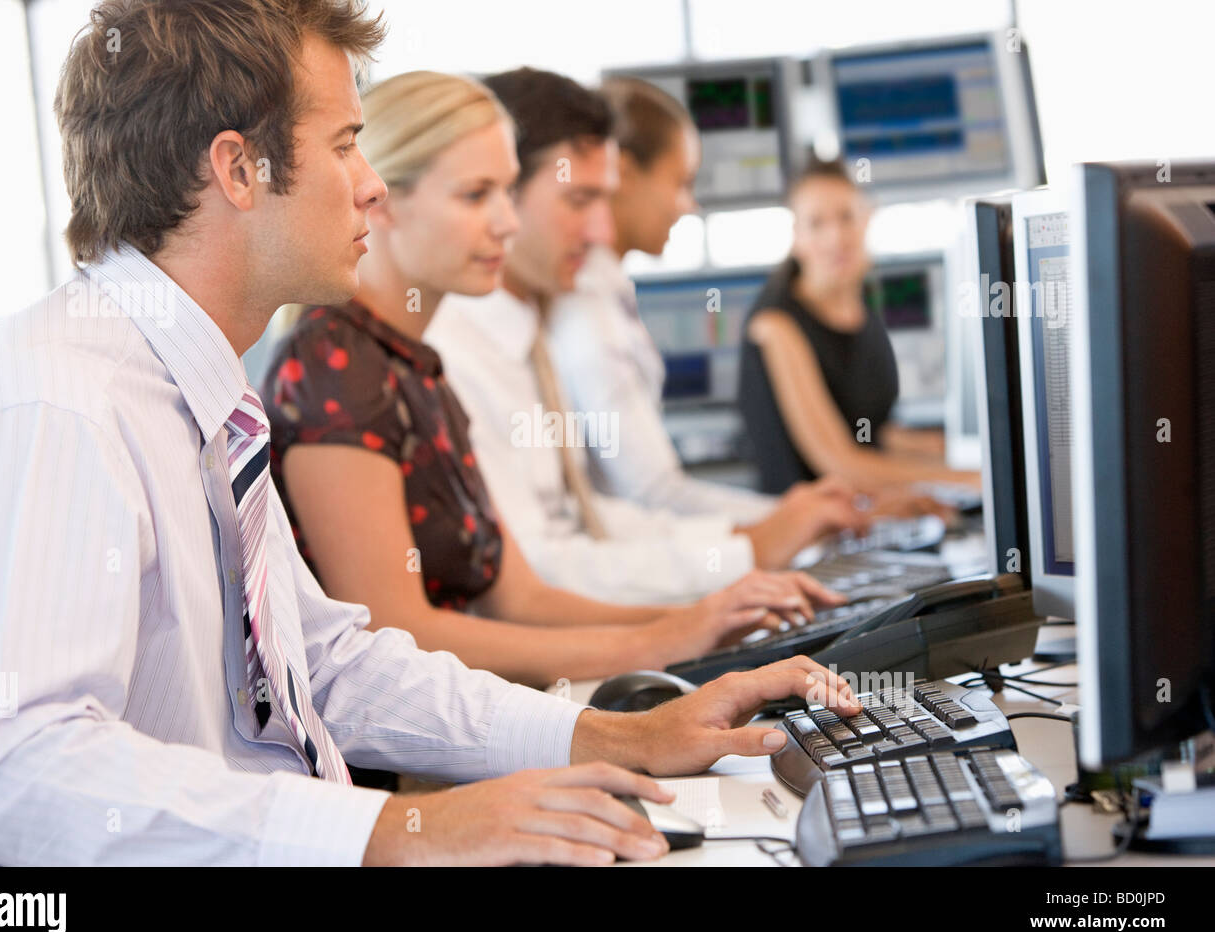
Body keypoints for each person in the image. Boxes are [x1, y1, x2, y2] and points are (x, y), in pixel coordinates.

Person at [0, 0, 860, 868]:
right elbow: (10, 768)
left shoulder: (196, 392)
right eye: (346, 145)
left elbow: (325, 667)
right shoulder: (50, 401)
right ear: (238, 169)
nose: (371, 187)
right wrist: (399, 831)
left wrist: (618, 736)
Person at [261, 71, 845, 687]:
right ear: (384, 199)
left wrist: (701, 622)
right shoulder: (339, 366)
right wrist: (664, 639)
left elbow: (521, 598)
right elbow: (396, 637)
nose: (507, 224)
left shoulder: (417, 366)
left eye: (509, 193)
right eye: (475, 195)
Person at [426, 68, 869, 607]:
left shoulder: (530, 330)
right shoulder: (458, 354)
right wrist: (748, 549)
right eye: (579, 200)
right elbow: (539, 573)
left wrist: (751, 542)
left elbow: (589, 518)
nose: (601, 231)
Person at [549, 76, 777, 525]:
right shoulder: (585, 307)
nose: (688, 205)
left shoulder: (605, 292)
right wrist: (794, 519)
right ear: (626, 173)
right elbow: (651, 493)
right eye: (680, 182)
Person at [738, 159, 981, 495]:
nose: (836, 236)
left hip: (869, 515)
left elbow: (872, 432)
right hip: (814, 533)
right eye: (817, 223)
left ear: (867, 218)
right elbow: (841, 464)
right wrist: (972, 480)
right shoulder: (775, 325)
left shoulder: (859, 309)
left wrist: (947, 450)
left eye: (846, 217)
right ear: (797, 238)